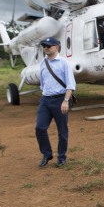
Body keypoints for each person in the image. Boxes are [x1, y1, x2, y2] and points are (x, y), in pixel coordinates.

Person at [35, 37, 76, 168]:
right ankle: (47, 154)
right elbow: (42, 84)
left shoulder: (64, 63)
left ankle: (62, 157)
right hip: (45, 100)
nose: (46, 48)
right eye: (44, 46)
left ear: (57, 47)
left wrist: (65, 101)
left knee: (62, 131)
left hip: (60, 100)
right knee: (39, 128)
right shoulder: (43, 63)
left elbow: (70, 84)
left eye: (49, 45)